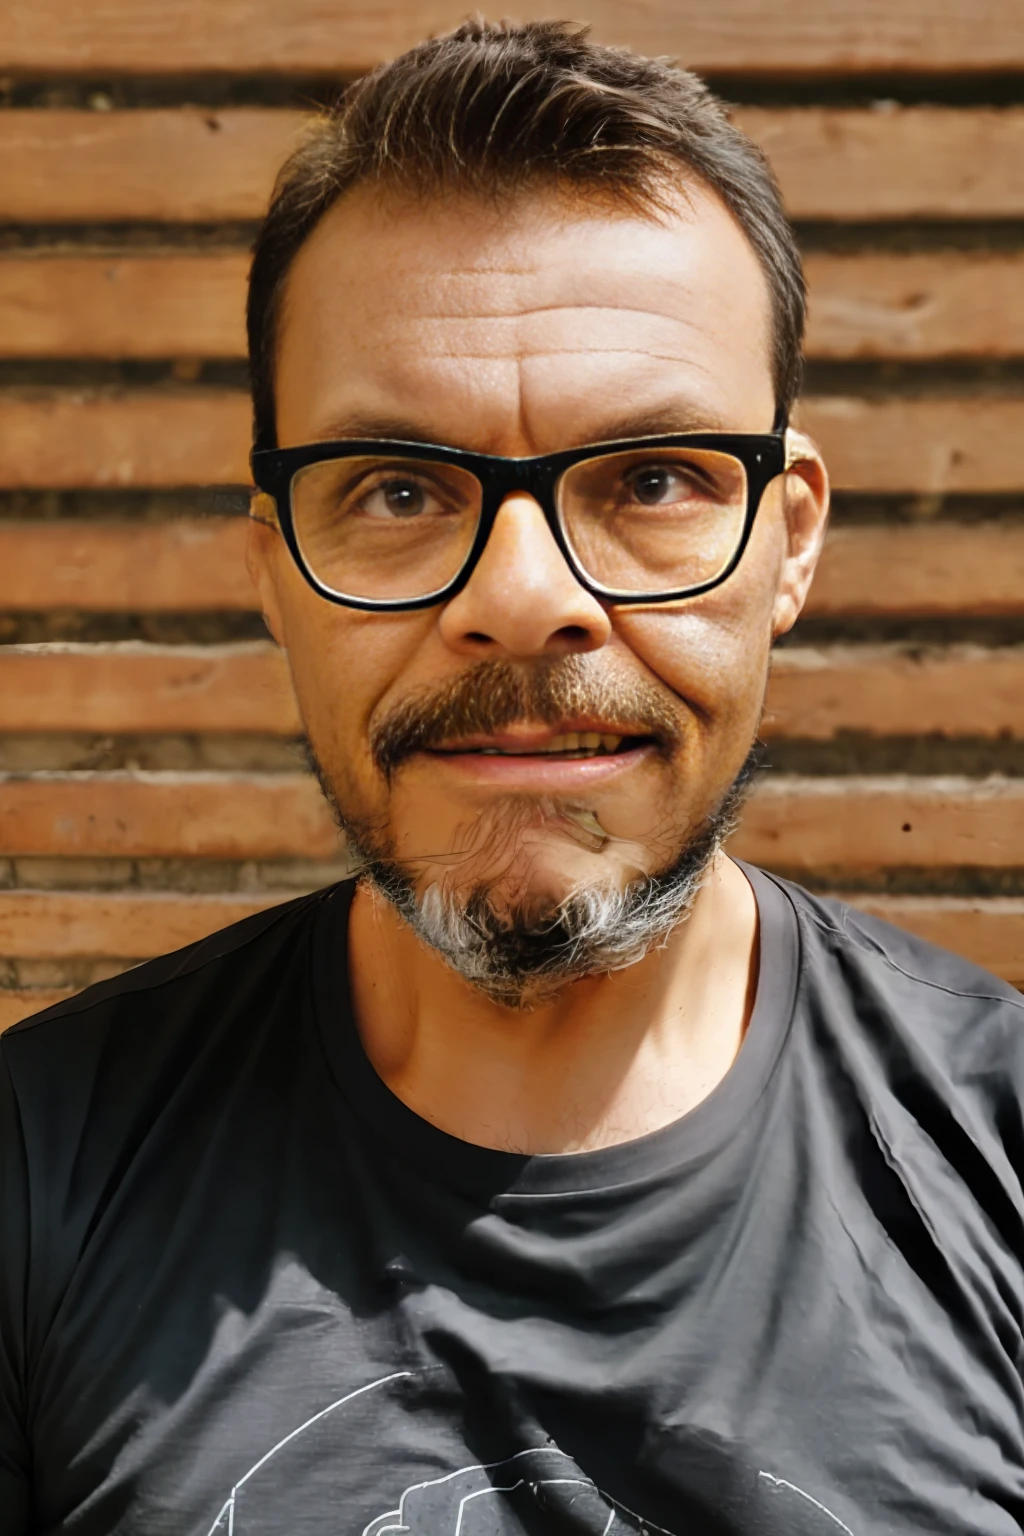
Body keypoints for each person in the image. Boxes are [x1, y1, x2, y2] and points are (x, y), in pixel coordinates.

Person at [2, 19, 1022, 1534]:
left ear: (788, 540)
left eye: (654, 480)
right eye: (402, 489)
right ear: (276, 560)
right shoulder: (40, 1173)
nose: (527, 593)